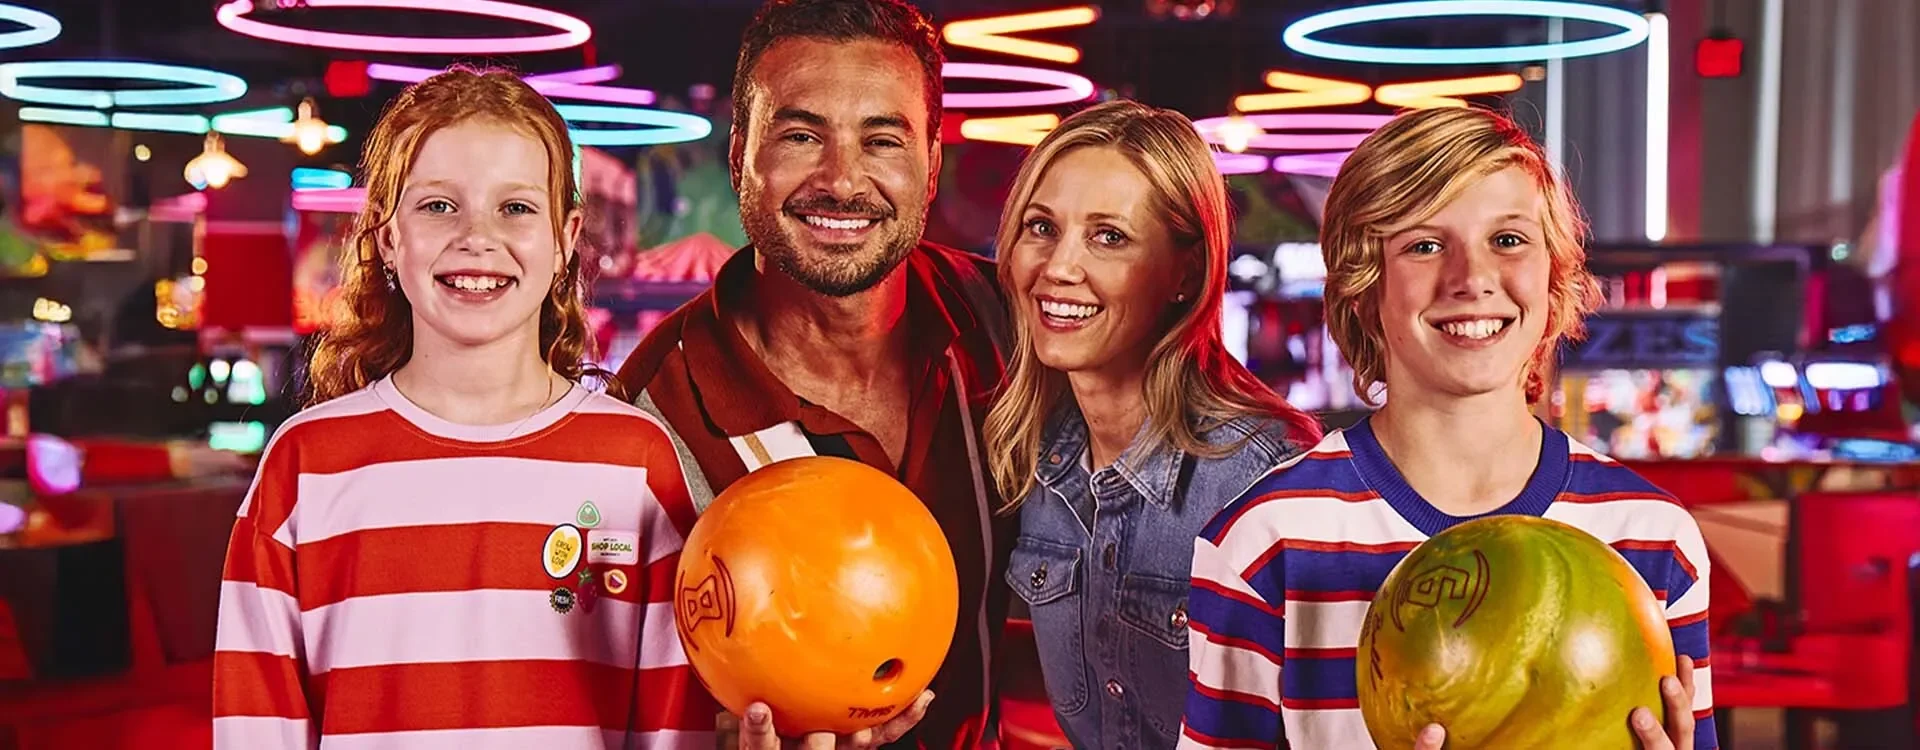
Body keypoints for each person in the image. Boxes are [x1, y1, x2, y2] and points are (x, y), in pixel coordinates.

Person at [1178, 107, 1716, 750]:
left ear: (1554, 273)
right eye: (1424, 245)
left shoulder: (1654, 536)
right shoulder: (1262, 540)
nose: (1472, 279)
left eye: (1509, 239)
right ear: (1364, 288)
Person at [210, 67, 713, 748]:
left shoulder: (637, 462)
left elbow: (673, 728)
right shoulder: (303, 468)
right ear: (389, 238)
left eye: (515, 208)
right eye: (439, 206)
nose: (477, 237)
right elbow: (256, 726)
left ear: (566, 239)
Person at [615, 0, 1012, 747]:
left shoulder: (1009, 324)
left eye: (883, 139)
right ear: (739, 156)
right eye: (801, 135)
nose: (842, 180)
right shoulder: (649, 418)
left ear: (931, 168)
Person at [983, 100, 1321, 749]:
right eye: (1041, 227)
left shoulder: (1270, 476)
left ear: (1185, 272)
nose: (1058, 267)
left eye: (1109, 236)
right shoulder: (1032, 456)